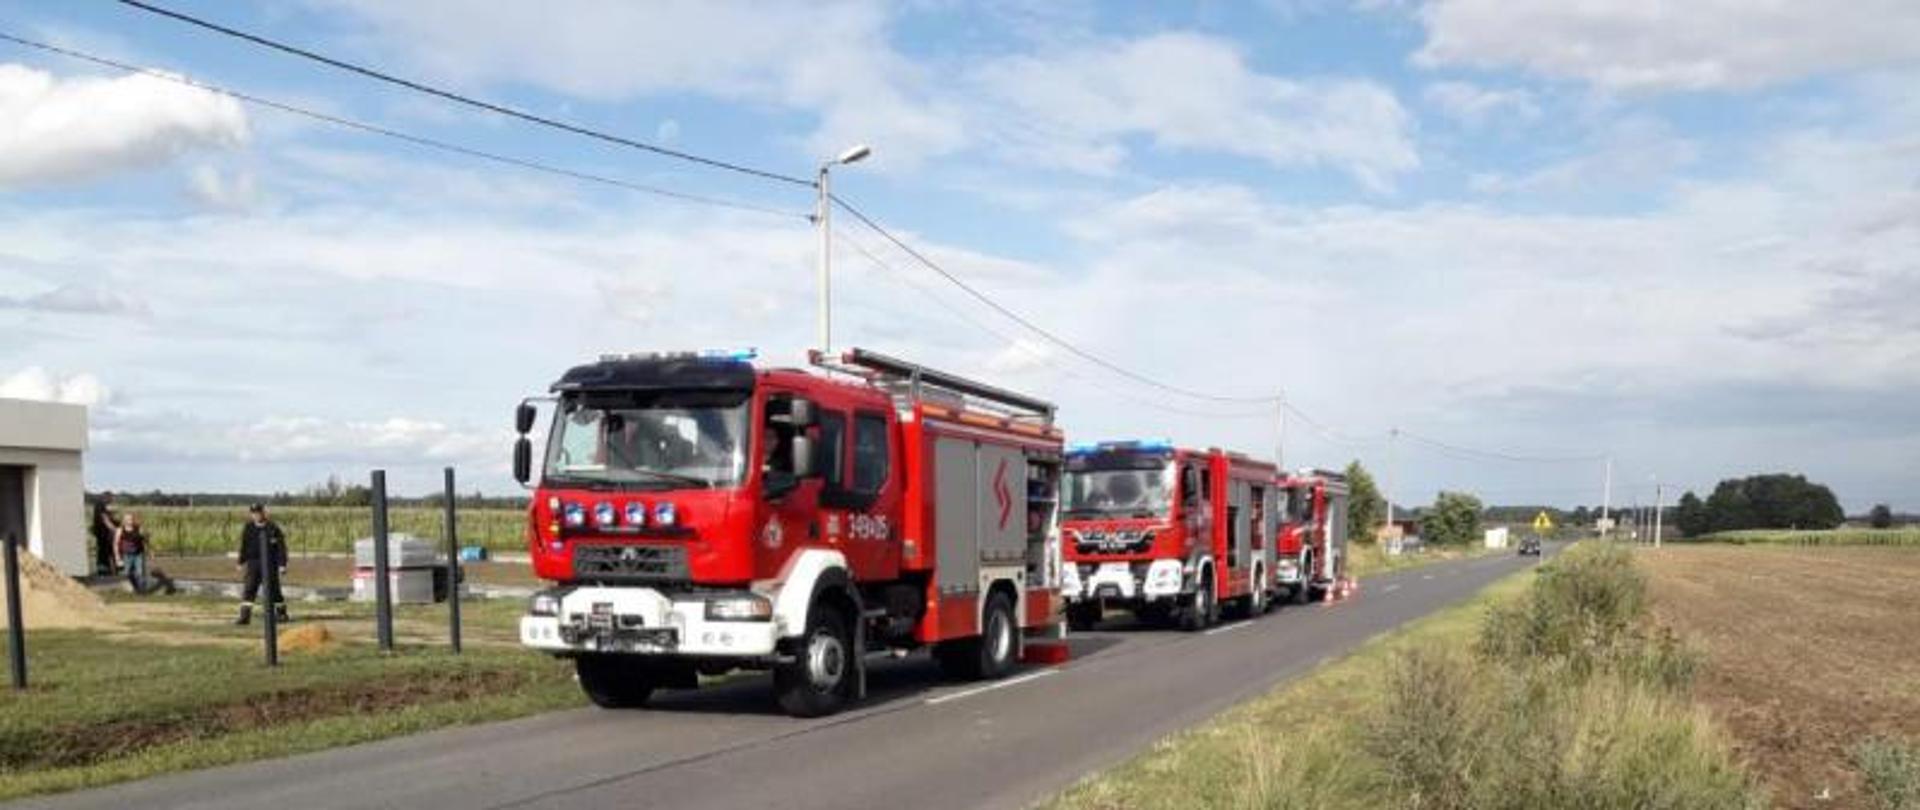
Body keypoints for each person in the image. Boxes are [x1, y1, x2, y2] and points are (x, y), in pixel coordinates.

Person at [235, 504, 289, 625]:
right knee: (249, 589)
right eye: (254, 513)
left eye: (258, 513)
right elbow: (244, 546)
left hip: (270, 563)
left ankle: (281, 614)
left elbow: (281, 548)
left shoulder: (273, 528)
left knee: (273, 590)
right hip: (253, 563)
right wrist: (240, 561)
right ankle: (244, 616)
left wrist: (282, 564)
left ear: (263, 513)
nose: (256, 515)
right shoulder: (248, 528)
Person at [90, 491, 118, 576]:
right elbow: (105, 519)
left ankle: (106, 569)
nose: (112, 501)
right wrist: (114, 529)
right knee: (104, 551)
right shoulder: (100, 505)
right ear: (107, 497)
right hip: (102, 533)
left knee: (104, 551)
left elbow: (107, 516)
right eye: (111, 499)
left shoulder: (100, 505)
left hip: (102, 533)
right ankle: (103, 570)